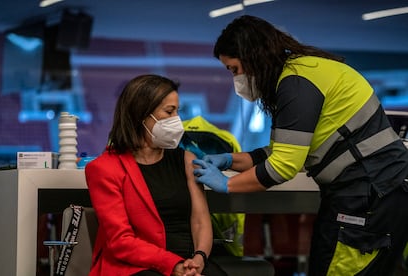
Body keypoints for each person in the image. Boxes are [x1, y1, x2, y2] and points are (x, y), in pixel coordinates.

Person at [193, 15, 408, 276]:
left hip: (367, 197)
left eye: (234, 69)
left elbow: (282, 167)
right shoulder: (306, 71)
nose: (236, 79)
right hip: (372, 192)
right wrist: (229, 160)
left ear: (252, 57)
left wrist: (226, 184)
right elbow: (281, 151)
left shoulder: (296, 83)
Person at [85, 74, 227, 276]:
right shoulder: (104, 168)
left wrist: (198, 259)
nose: (176, 120)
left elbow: (200, 221)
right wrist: (174, 265)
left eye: (178, 111)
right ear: (140, 114)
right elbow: (120, 241)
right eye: (169, 111)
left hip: (189, 264)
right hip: (135, 267)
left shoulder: (186, 159)